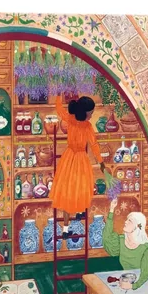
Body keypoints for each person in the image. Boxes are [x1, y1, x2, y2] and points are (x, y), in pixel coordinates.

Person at [49, 95, 105, 237]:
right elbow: (94, 145)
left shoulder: (70, 119)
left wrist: (58, 95)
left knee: (67, 191)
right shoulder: (87, 126)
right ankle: (80, 211)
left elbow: (59, 109)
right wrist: (101, 162)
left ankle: (65, 229)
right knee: (81, 187)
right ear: (85, 112)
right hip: (80, 159)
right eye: (91, 113)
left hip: (68, 158)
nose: (91, 116)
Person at [103, 198, 148, 290]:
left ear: (137, 227)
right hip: (125, 282)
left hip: (141, 286)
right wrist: (111, 210)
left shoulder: (145, 250)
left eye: (130, 221)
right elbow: (107, 238)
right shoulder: (121, 241)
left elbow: (146, 274)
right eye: (127, 220)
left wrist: (133, 286)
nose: (125, 222)